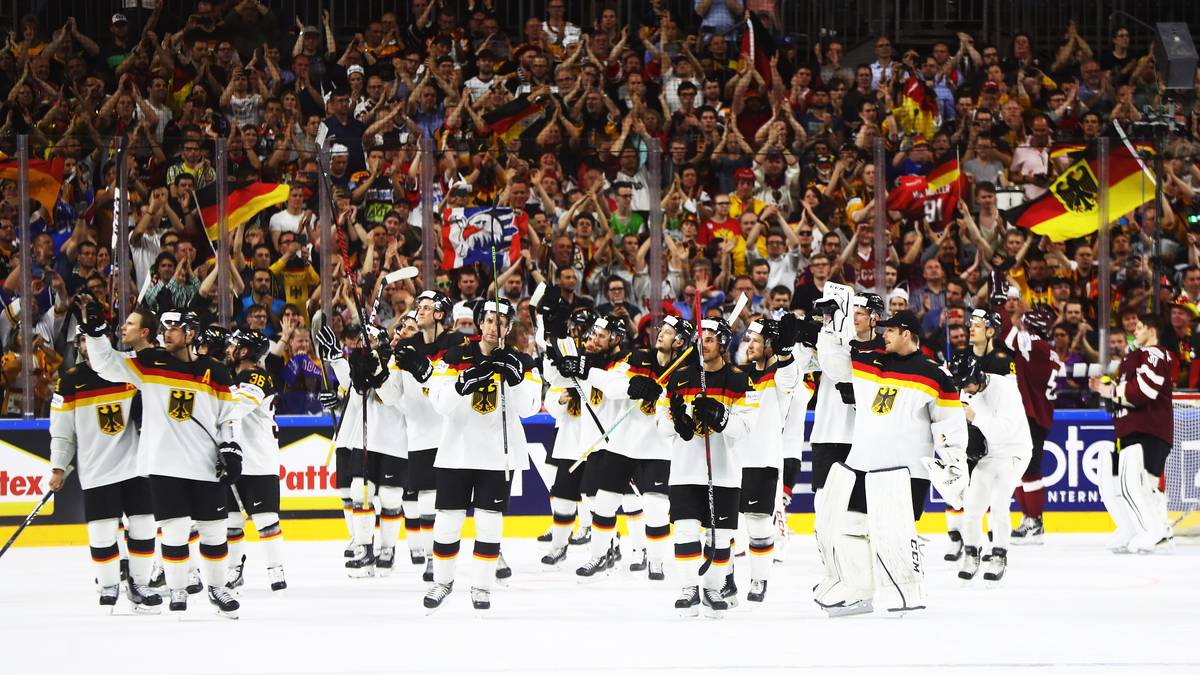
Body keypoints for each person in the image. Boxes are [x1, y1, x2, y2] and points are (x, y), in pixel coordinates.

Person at [78, 307, 245, 618]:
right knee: (176, 530)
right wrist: (96, 335)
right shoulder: (150, 363)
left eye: (174, 327)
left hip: (205, 464)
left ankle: (218, 588)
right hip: (163, 465)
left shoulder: (217, 372)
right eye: (164, 326)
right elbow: (107, 365)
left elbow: (229, 414)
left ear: (191, 333)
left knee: (214, 531)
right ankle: (178, 589)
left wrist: (232, 446)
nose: (166, 332)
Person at [813, 309, 967, 616]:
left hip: (904, 472)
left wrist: (954, 464)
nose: (884, 334)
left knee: (893, 536)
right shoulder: (871, 362)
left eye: (891, 330)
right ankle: (860, 592)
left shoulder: (935, 374)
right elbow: (833, 365)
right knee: (850, 526)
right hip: (862, 465)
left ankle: (909, 593)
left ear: (907, 334)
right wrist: (828, 331)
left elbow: (950, 423)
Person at [423, 299, 541, 612]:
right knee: (448, 522)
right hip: (456, 453)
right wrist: (461, 384)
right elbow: (438, 402)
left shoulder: (522, 361)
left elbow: (530, 408)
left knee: (489, 525)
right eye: (489, 320)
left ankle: (481, 586)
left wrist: (515, 381)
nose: (494, 327)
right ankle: (443, 581)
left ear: (509, 327)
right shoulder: (454, 356)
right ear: (479, 322)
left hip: (497, 457)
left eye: (502, 322)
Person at [48, 326, 161, 614]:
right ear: (78, 344)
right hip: (97, 468)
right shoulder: (69, 382)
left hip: (136, 464)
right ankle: (110, 583)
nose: (88, 344)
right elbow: (62, 430)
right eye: (83, 339)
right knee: (102, 531)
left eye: (92, 338)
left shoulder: (126, 369)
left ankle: (140, 583)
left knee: (145, 524)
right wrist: (59, 466)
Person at [658, 315, 758, 618]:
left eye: (711, 339)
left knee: (720, 535)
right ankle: (689, 589)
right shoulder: (680, 377)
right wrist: (679, 423)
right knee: (686, 530)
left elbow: (746, 427)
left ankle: (713, 588)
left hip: (725, 473)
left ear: (724, 343)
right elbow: (661, 426)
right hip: (686, 470)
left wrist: (721, 417)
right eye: (702, 338)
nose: (704, 344)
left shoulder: (741, 379)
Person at [734, 313, 816, 602]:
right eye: (748, 340)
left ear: (770, 344)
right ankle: (727, 579)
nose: (750, 345)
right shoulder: (738, 375)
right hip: (732, 462)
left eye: (756, 341)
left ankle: (759, 580)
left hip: (764, 460)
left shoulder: (781, 377)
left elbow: (790, 377)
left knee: (758, 525)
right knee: (725, 527)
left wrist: (785, 353)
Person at [392, 291, 466, 580]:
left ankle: (495, 553)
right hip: (421, 434)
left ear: (439, 314)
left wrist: (424, 370)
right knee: (425, 500)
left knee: (458, 501)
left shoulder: (457, 341)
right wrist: (377, 374)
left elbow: (452, 382)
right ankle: (433, 559)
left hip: (454, 431)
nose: (418, 311)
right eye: (417, 307)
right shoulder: (406, 346)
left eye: (425, 307)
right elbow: (391, 394)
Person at [1090, 315, 1175, 553]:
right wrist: (1109, 391)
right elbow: (1127, 393)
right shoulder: (1133, 357)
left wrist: (1110, 390)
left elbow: (1143, 391)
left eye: (1139, 328)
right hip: (1131, 429)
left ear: (1152, 329)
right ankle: (1130, 528)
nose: (1134, 332)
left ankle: (1155, 529)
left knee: (1139, 484)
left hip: (1150, 430)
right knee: (1115, 479)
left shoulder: (1155, 354)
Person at [949, 350, 1031, 583]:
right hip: (989, 454)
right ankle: (972, 553)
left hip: (1014, 452)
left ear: (978, 377)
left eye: (966, 385)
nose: (964, 391)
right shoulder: (967, 391)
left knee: (998, 502)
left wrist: (974, 417)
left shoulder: (1005, 389)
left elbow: (1005, 430)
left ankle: (999, 555)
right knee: (972, 505)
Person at [220, 329, 287, 593]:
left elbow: (238, 407)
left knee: (266, 520)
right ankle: (234, 570)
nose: (228, 348)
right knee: (232, 521)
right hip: (234, 457)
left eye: (233, 345)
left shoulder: (256, 375)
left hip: (258, 460)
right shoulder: (233, 376)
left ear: (244, 351)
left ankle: (276, 570)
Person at [1002, 302, 1061, 544]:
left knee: (1030, 469)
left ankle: (1034, 522)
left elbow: (1006, 335)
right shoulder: (1047, 348)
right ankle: (1029, 519)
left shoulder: (1033, 343)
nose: (1021, 324)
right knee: (1021, 468)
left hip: (1032, 416)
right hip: (1036, 414)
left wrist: (1000, 305)